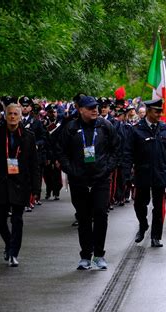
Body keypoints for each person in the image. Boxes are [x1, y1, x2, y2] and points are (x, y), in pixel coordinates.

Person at [56, 95, 120, 270]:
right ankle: (85, 255)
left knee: (100, 214)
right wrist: (71, 170)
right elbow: (60, 151)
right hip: (79, 180)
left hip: (101, 179)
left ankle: (99, 255)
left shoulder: (105, 126)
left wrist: (107, 168)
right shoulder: (70, 128)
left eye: (96, 107)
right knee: (83, 216)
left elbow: (116, 148)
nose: (95, 110)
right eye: (90, 107)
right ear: (80, 109)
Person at [0, 104, 40, 267]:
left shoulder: (28, 136)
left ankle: (14, 252)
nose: (12, 116)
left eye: (15, 114)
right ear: (5, 116)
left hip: (20, 183)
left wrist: (36, 188)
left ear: (20, 116)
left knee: (17, 219)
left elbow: (34, 164)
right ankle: (8, 243)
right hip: (0, 183)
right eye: (10, 114)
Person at [124, 99, 166, 247]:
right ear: (147, 111)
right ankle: (143, 224)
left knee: (159, 207)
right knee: (140, 204)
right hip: (142, 173)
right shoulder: (136, 130)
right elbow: (128, 153)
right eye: (156, 111)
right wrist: (127, 174)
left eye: (160, 111)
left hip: (161, 173)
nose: (159, 114)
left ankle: (156, 236)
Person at [19, 96, 46, 210]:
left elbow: (43, 137)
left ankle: (29, 200)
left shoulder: (36, 122)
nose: (25, 108)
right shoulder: (16, 120)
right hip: (18, 155)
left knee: (30, 177)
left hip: (31, 155)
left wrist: (37, 144)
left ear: (30, 107)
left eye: (27, 106)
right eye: (23, 106)